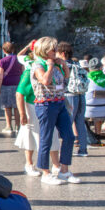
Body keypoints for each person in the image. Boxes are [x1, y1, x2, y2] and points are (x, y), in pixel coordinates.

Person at [30, 37, 78, 184]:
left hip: (60, 102)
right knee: (46, 138)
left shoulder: (56, 64)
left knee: (69, 136)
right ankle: (45, 172)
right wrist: (50, 67)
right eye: (53, 49)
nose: (56, 51)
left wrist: (63, 65)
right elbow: (45, 81)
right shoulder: (38, 64)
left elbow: (66, 78)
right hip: (45, 105)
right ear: (45, 50)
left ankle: (64, 170)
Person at [14, 41, 62, 178]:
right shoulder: (31, 70)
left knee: (51, 135)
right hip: (33, 105)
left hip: (49, 104)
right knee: (32, 134)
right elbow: (19, 93)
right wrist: (22, 113)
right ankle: (29, 164)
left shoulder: (52, 67)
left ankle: (56, 165)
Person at [60, 42, 89, 157]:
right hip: (81, 94)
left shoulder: (64, 65)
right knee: (80, 122)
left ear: (62, 53)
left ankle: (66, 150)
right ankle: (83, 149)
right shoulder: (77, 64)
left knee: (68, 123)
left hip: (69, 95)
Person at [0, 41, 23, 134]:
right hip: (18, 85)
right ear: (13, 49)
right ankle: (18, 126)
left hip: (6, 85)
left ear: (4, 50)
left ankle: (8, 126)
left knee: (7, 107)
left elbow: (0, 76)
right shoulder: (19, 59)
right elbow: (23, 72)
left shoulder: (2, 61)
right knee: (17, 107)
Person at [85, 57, 105, 135]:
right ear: (101, 67)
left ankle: (85, 135)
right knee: (99, 104)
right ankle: (98, 133)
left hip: (88, 110)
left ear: (89, 68)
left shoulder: (86, 78)